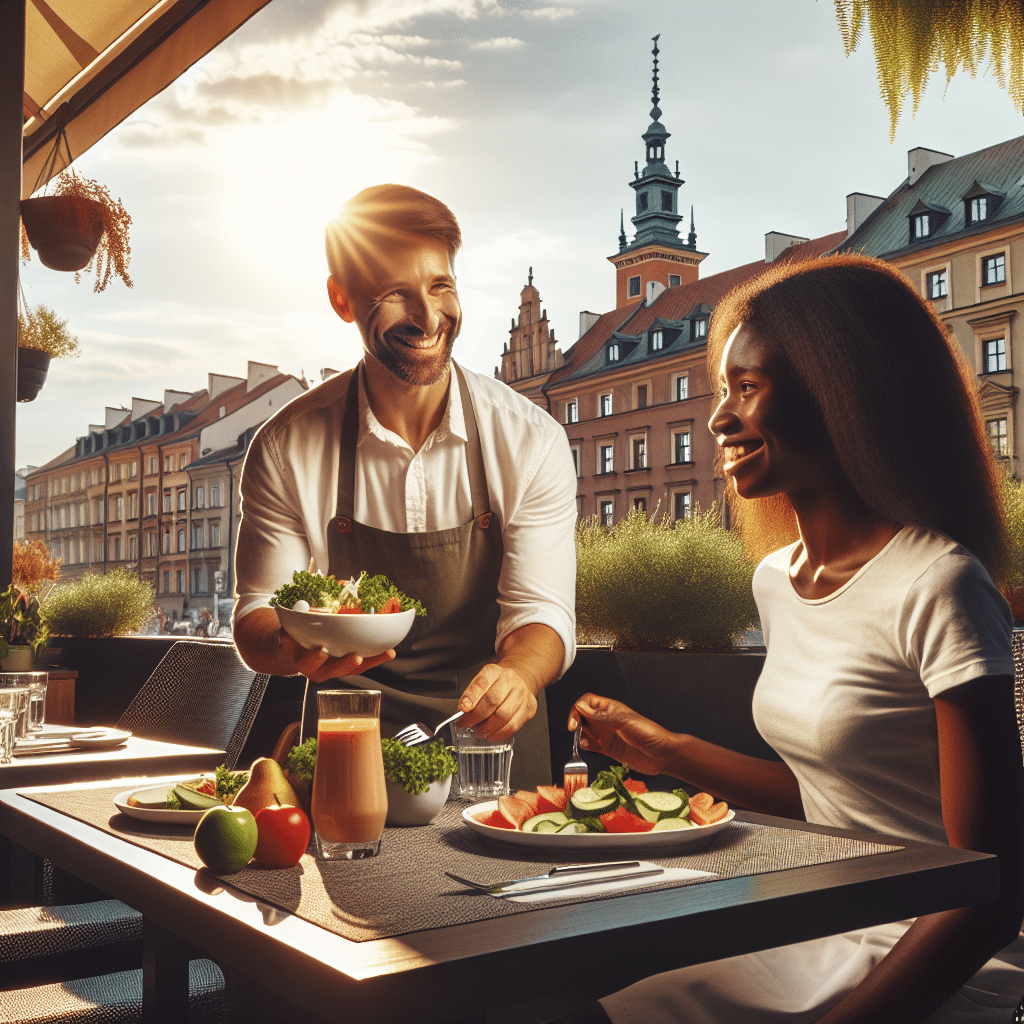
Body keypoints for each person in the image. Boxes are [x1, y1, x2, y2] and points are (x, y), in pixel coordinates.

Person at [565, 253, 1024, 1024]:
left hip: (933, 960)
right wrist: (662, 750)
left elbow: (994, 889)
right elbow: (838, 794)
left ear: (843, 392)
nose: (717, 419)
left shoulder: (939, 584)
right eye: (722, 391)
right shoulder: (775, 578)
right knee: (579, 986)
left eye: (747, 388)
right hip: (827, 913)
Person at [232, 184, 577, 788]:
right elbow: (257, 611)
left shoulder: (531, 439)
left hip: (491, 755)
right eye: (396, 293)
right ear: (342, 299)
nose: (427, 316)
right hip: (344, 755)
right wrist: (292, 649)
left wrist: (519, 675)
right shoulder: (286, 445)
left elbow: (541, 610)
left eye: (441, 286)